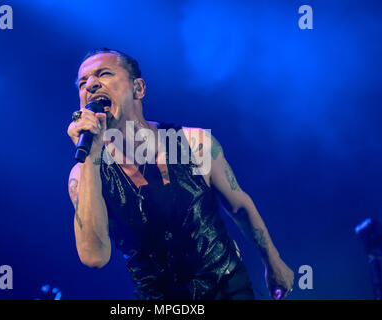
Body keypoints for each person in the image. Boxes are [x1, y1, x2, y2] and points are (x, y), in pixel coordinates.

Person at [67, 48, 294, 300]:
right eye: (82, 83)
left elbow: (239, 206)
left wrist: (274, 263)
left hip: (227, 289)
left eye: (104, 73)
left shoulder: (195, 142)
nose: (91, 85)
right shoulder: (84, 174)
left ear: (138, 88)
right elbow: (94, 257)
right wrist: (92, 154)